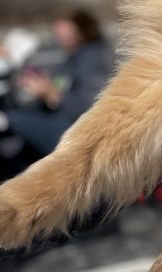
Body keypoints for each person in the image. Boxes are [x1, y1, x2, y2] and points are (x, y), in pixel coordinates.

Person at [0, 9, 114, 171]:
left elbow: (89, 108)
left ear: (82, 30)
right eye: (58, 34)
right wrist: (43, 91)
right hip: (65, 123)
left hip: (79, 133)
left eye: (67, 34)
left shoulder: (94, 59)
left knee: (12, 120)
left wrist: (52, 95)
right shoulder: (74, 57)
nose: (61, 39)